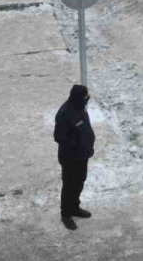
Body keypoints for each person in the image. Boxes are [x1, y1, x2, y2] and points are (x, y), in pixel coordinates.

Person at [54, 84, 96, 230]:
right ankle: (66, 214)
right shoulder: (64, 113)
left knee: (79, 182)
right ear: (77, 98)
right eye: (85, 98)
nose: (87, 101)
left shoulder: (80, 107)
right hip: (70, 158)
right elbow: (59, 136)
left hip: (82, 156)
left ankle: (74, 207)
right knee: (69, 185)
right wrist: (78, 145)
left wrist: (88, 146)